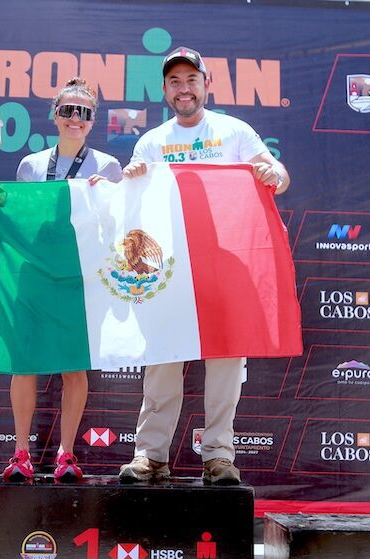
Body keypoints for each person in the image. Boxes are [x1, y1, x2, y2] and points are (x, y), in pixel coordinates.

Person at [118, 47, 290, 485]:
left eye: (191, 80)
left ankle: (219, 456)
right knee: (162, 361)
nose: (184, 89)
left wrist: (273, 174)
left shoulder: (234, 131)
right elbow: (131, 202)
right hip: (169, 268)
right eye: (175, 81)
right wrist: (130, 178)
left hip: (226, 265)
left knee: (226, 363)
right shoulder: (152, 141)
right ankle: (150, 455)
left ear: (206, 84)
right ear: (164, 90)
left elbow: (277, 172)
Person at [0, 77, 122, 482]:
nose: (75, 118)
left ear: (93, 121)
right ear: (55, 115)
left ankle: (66, 455)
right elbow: (19, 217)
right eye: (68, 110)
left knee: (74, 368)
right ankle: (21, 453)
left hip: (78, 278)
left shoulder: (108, 166)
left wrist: (107, 197)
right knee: (25, 363)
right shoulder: (31, 165)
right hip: (34, 277)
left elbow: (119, 225)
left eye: (84, 112)